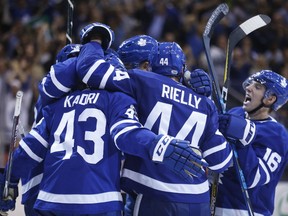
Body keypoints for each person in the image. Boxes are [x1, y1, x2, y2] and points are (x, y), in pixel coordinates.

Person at [75, 22, 233, 215]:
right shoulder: (204, 102)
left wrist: (95, 40)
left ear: (148, 64)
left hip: (154, 194)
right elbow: (221, 161)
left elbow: (89, 69)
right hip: (198, 199)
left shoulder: (141, 81)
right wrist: (221, 120)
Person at [0, 75, 206, 215]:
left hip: (53, 200)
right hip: (100, 201)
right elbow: (126, 135)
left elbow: (27, 152)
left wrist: (8, 180)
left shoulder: (55, 104)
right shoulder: (117, 98)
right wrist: (158, 145)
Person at [215, 70, 288, 216]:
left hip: (246, 210)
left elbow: (254, 178)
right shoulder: (236, 113)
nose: (248, 88)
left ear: (270, 99)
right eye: (251, 84)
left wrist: (243, 140)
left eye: (258, 87)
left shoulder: (276, 134)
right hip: (215, 203)